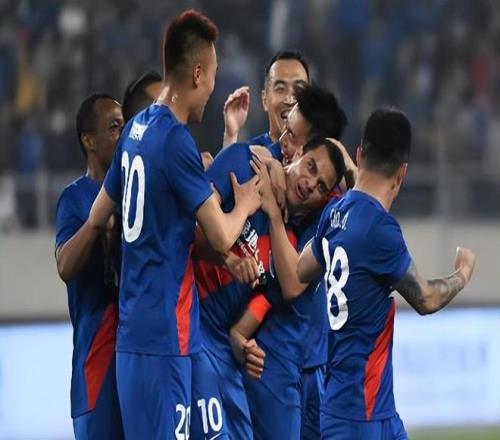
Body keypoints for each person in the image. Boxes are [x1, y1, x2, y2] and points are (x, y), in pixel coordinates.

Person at [86, 10, 262, 439]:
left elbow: (97, 215)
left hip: (133, 334)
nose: (213, 87)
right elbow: (221, 233)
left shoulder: (135, 129)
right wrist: (245, 205)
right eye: (214, 74)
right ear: (198, 74)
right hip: (166, 336)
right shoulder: (175, 138)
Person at [297, 108, 476, 440]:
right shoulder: (381, 229)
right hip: (358, 415)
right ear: (402, 172)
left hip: (371, 409)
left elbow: (301, 268)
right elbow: (425, 298)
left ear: (359, 154)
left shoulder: (333, 214)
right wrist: (462, 273)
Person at [192, 135, 346, 439]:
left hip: (219, 346)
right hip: (189, 321)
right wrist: (230, 258)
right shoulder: (244, 164)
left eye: (321, 187)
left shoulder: (288, 245)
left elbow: (263, 302)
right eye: (310, 167)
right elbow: (186, 229)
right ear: (297, 154)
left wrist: (240, 340)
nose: (309, 184)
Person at [54, 92, 124, 439]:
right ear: (89, 140)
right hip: (98, 365)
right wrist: (96, 222)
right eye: (113, 127)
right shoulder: (76, 197)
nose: (122, 135)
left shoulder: (136, 195)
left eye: (124, 127)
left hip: (141, 360)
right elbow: (65, 265)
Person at [223, 50, 310, 159]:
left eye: (299, 89)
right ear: (265, 100)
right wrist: (230, 137)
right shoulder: (248, 156)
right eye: (280, 89)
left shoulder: (323, 157)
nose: (290, 99)